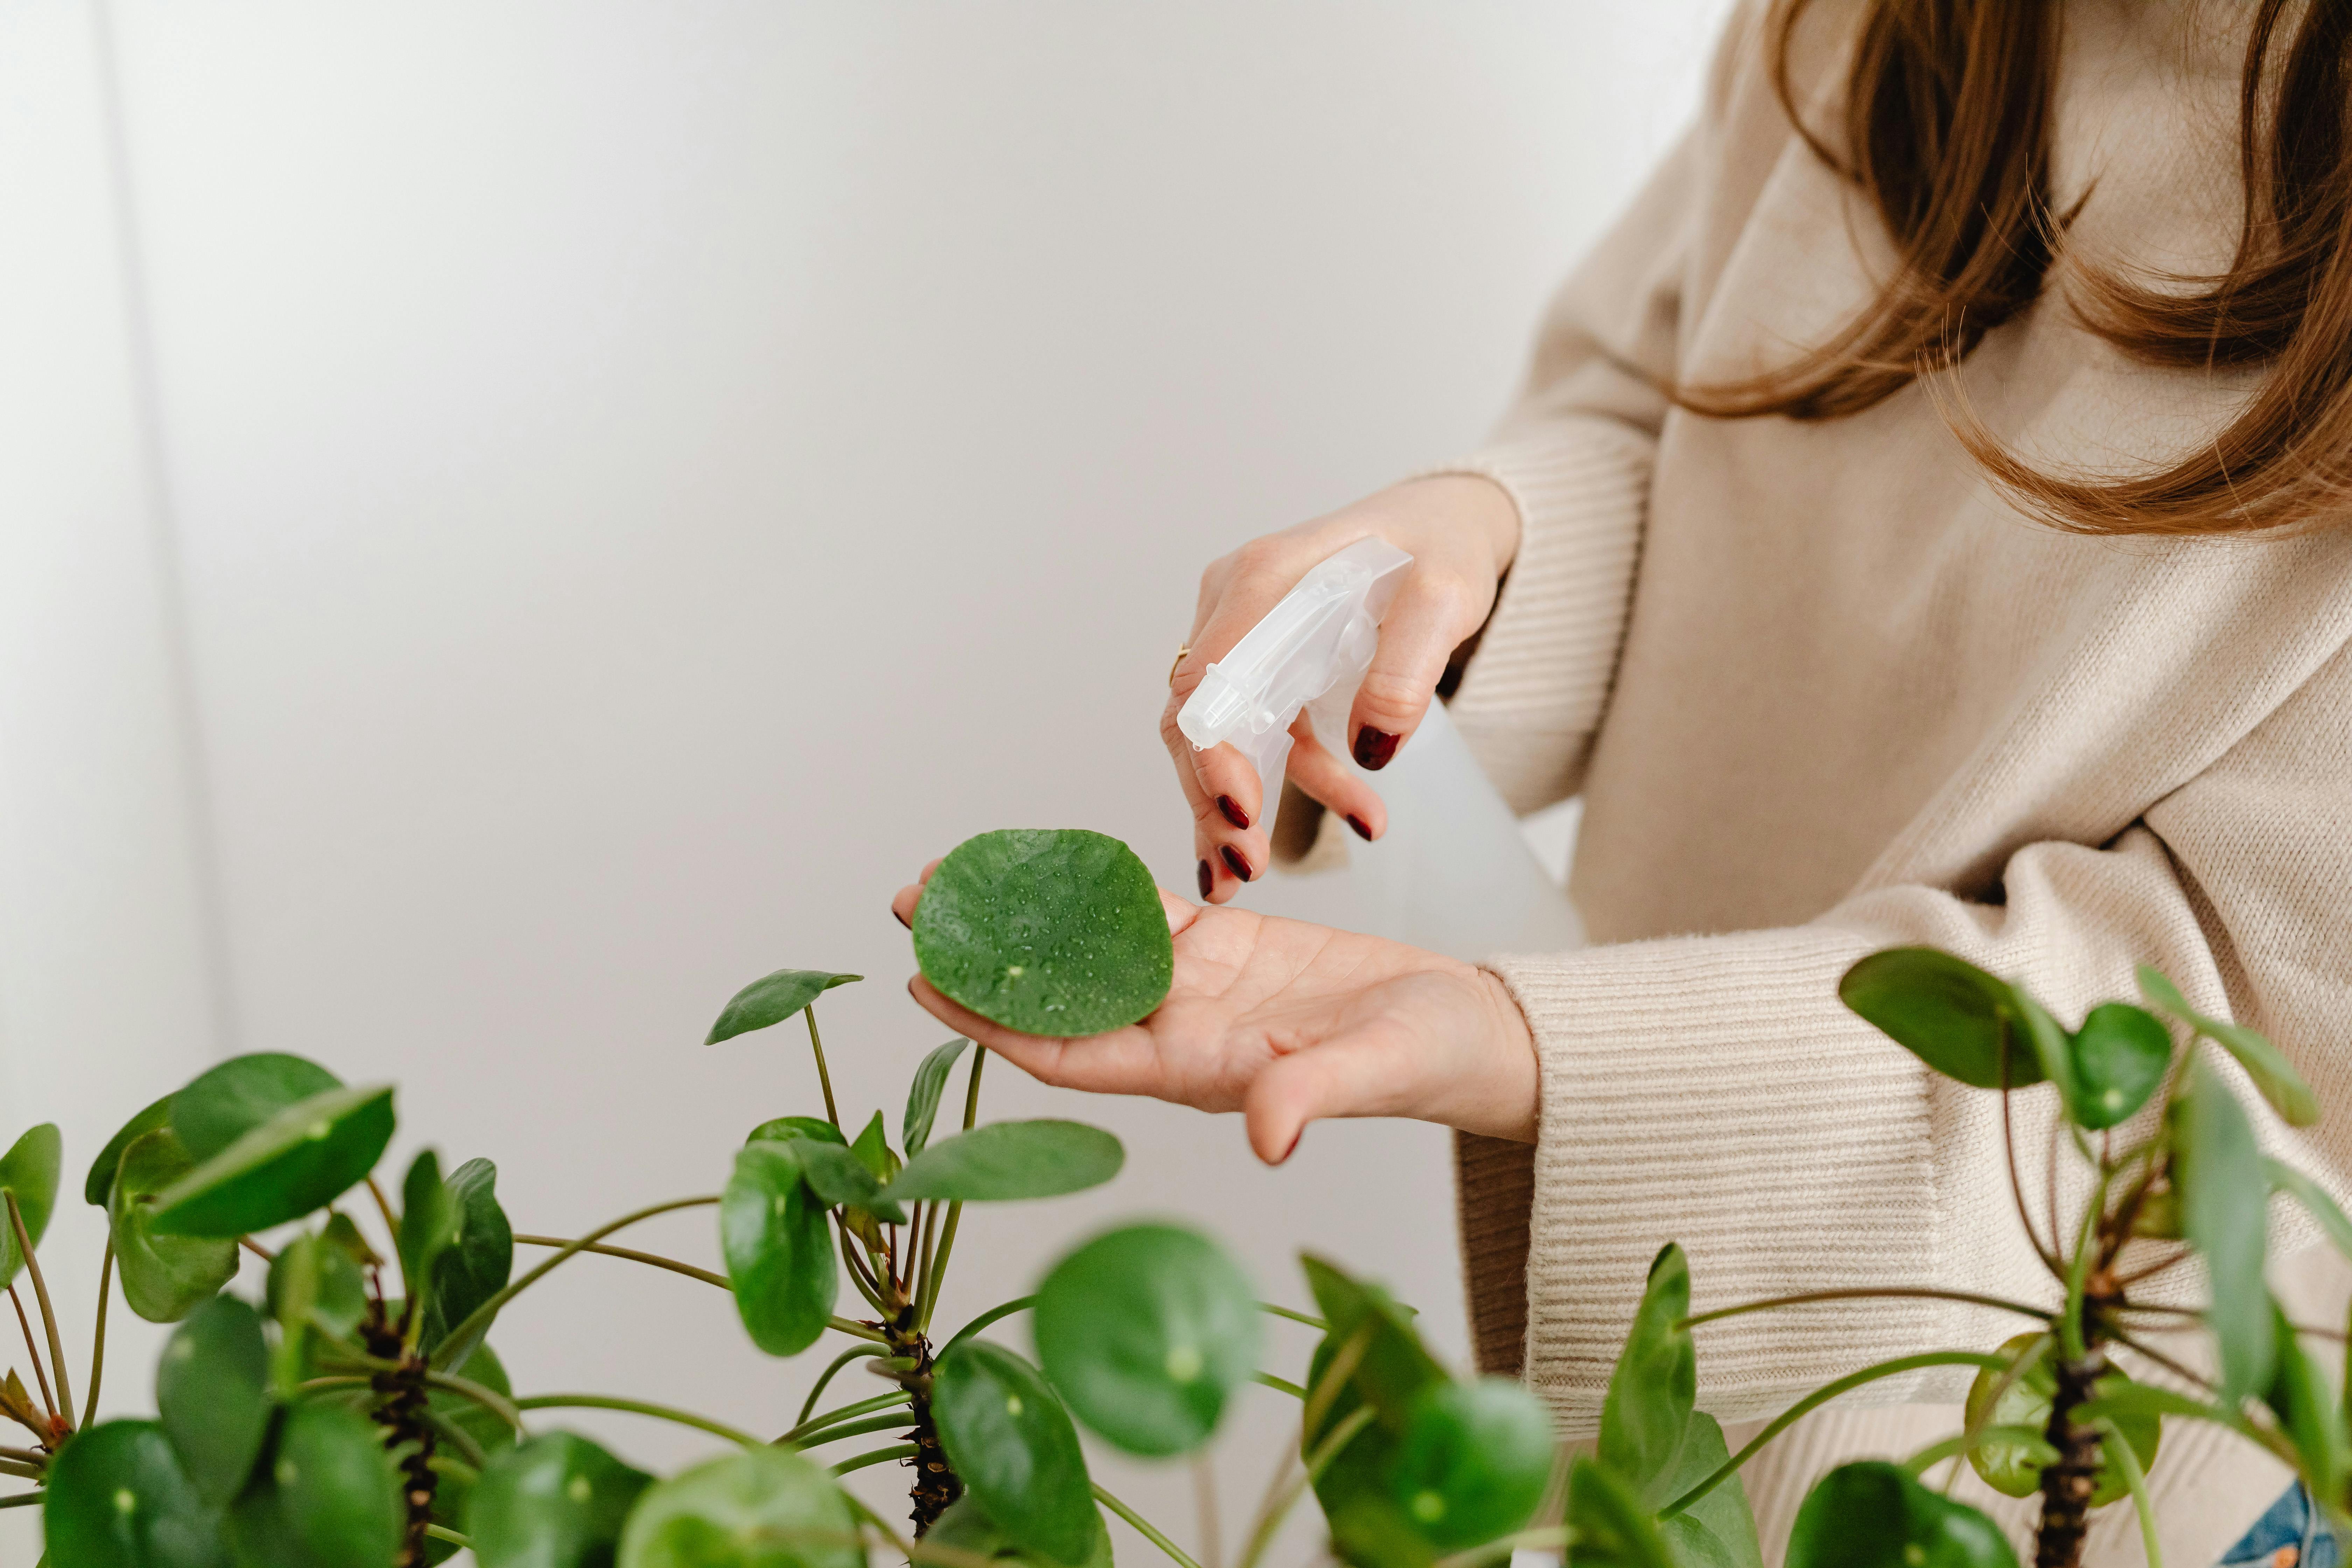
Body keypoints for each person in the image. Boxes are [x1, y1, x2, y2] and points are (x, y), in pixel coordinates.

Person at [896, 0, 2352, 1560]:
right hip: (1675, 1429)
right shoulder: (1878, 28)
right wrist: (1462, 569)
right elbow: (1687, 412)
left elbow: (2224, 1049)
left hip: (2106, 1474)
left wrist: (1544, 1047)